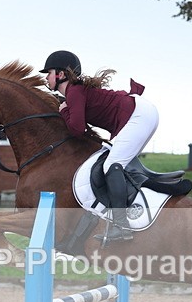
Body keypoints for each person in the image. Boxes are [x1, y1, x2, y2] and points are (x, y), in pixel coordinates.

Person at [41, 50, 159, 242]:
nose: (46, 77)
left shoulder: (74, 91)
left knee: (110, 165)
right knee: (116, 164)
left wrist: (63, 111)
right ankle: (130, 212)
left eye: (49, 72)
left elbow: (77, 129)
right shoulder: (75, 91)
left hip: (139, 115)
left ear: (60, 74)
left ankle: (121, 225)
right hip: (141, 114)